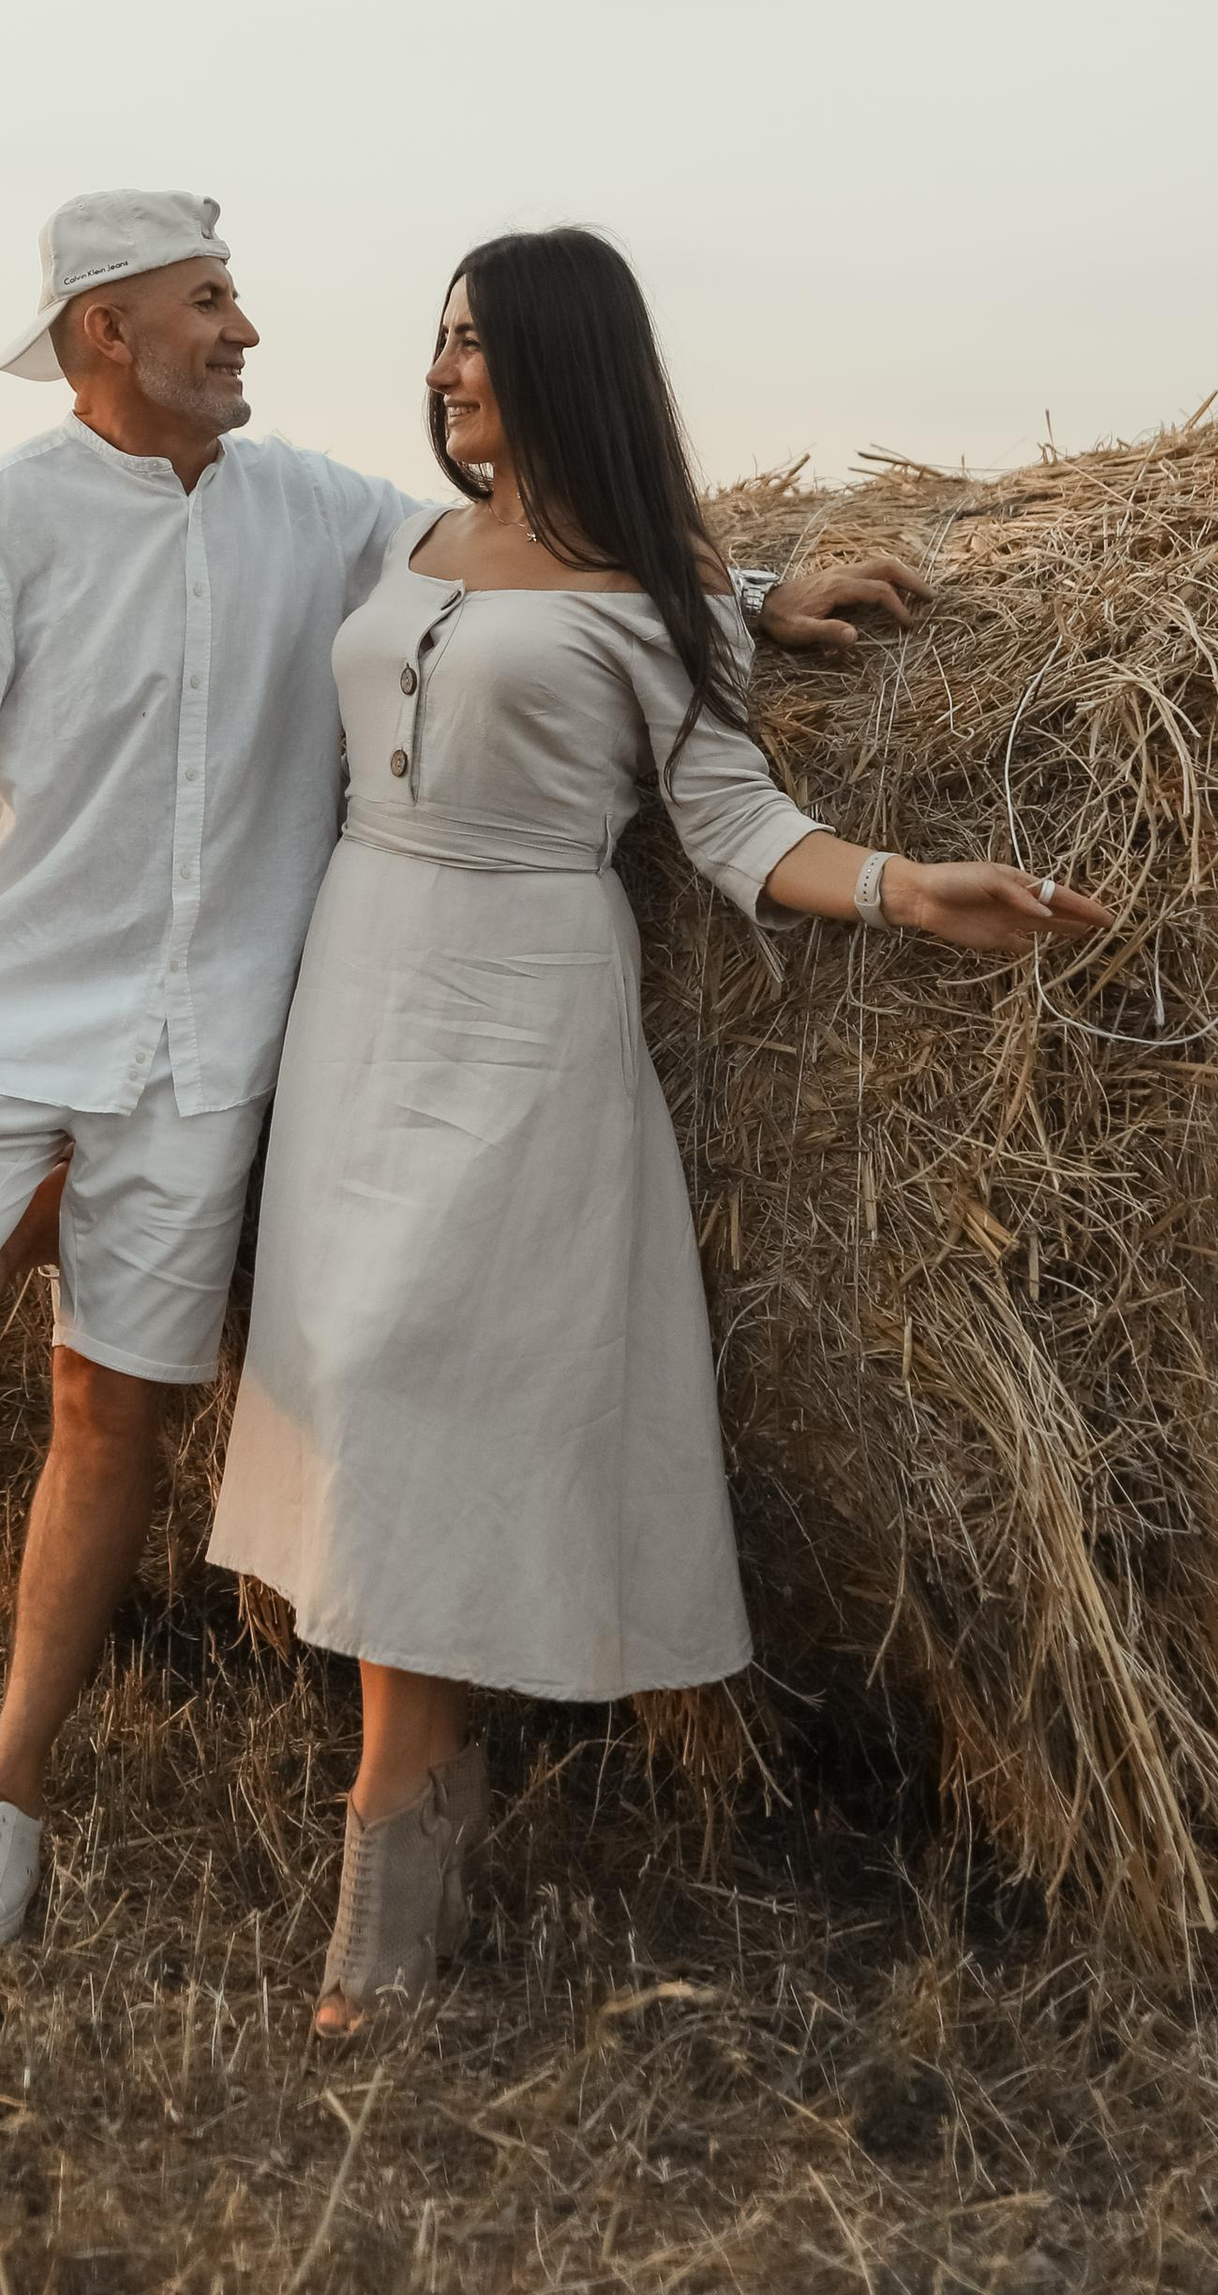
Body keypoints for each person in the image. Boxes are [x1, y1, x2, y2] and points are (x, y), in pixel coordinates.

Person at [0, 192, 920, 1963]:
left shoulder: (321, 511)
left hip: (221, 1055)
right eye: (210, 302)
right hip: (8, 1035)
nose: (247, 329)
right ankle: (37, 1215)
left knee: (110, 1410)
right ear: (106, 331)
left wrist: (757, 600)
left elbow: (548, 564)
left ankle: (2, 1796)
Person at [206, 226, 1110, 2035]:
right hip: (356, 982)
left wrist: (908, 888)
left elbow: (732, 821)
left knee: (410, 1361)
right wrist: (757, 576)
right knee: (347, 1363)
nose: (444, 371)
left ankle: (396, 1810)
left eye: (478, 342)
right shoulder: (398, 542)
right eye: (441, 339)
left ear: (566, 358)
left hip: (524, 1000)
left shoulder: (660, 597)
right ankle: (427, 1765)